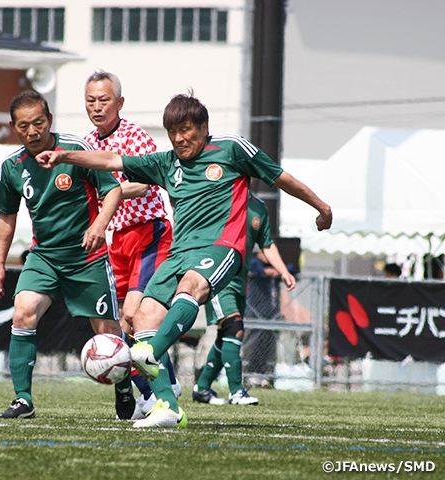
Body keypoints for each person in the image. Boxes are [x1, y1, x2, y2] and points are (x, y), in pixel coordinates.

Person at [36, 92, 332, 428]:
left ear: (204, 127)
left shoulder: (232, 149)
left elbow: (281, 178)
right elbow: (111, 161)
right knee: (142, 316)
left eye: (186, 130)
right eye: (173, 132)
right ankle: (168, 407)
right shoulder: (166, 163)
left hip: (220, 249)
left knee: (189, 289)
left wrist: (322, 208)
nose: (179, 138)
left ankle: (151, 354)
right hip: (178, 253)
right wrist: (63, 156)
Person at [0, 90, 131, 420]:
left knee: (107, 331)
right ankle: (23, 400)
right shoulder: (11, 167)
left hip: (87, 256)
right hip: (44, 256)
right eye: (24, 125)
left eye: (39, 122)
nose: (33, 131)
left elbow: (113, 189)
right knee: (22, 313)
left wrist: (98, 225)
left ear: (49, 120)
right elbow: (6, 217)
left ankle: (124, 387)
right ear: (14, 127)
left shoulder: (75, 150)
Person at [83, 70, 178, 419]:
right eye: (91, 101)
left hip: (148, 233)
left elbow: (148, 182)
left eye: (104, 100)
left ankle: (163, 391)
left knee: (135, 315)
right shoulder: (86, 143)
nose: (97, 107)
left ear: (119, 103)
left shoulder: (135, 136)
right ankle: (150, 390)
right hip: (117, 239)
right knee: (120, 325)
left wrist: (112, 191)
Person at [193, 192, 296, 406]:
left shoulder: (258, 206)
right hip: (218, 278)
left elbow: (266, 243)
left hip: (240, 282)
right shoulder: (216, 195)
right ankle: (237, 391)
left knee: (226, 335)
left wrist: (283, 271)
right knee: (234, 328)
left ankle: (202, 388)